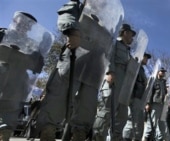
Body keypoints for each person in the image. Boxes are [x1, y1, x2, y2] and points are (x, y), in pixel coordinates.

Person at [35, 0, 121, 140]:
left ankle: (79, 133)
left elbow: (109, 50)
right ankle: (48, 130)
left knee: (87, 103)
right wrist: (72, 31)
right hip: (75, 58)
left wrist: (110, 70)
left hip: (95, 67)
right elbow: (66, 13)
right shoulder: (80, 6)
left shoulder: (107, 26)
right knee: (59, 95)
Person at [0, 11, 46, 141]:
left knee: (7, 122)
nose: (24, 26)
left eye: (28, 24)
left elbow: (37, 67)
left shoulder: (32, 45)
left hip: (17, 84)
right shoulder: (3, 34)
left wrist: (41, 51)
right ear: (15, 21)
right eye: (22, 22)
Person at [92, 23, 136, 141]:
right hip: (115, 76)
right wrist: (109, 71)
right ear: (125, 32)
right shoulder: (114, 43)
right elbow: (108, 55)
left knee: (122, 115)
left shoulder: (128, 51)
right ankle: (98, 136)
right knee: (107, 110)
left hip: (124, 83)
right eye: (131, 34)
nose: (132, 38)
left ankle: (116, 138)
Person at [122, 53, 151, 141]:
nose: (146, 60)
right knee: (131, 120)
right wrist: (130, 97)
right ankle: (126, 138)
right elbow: (131, 81)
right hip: (134, 96)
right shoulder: (135, 66)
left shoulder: (141, 69)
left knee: (137, 121)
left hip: (139, 97)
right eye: (145, 57)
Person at [143, 67, 167, 141]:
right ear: (158, 72)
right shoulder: (153, 80)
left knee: (158, 123)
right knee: (152, 122)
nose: (163, 73)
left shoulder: (163, 82)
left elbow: (165, 93)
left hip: (161, 104)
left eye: (164, 72)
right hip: (154, 103)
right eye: (161, 71)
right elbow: (150, 92)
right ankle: (146, 138)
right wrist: (148, 103)